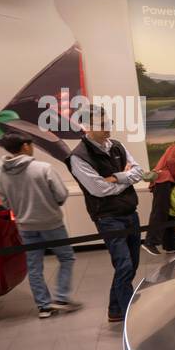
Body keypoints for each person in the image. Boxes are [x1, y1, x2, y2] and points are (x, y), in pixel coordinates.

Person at [68, 106, 144, 323]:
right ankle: (131, 316)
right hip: (108, 217)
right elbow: (99, 190)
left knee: (132, 265)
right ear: (86, 127)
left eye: (107, 123)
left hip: (130, 211)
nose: (107, 128)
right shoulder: (78, 157)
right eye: (101, 125)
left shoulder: (117, 146)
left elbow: (138, 172)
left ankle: (115, 309)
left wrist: (116, 178)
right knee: (124, 265)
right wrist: (125, 177)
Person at [0, 130, 80, 318]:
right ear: (25, 146)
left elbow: (4, 201)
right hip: (51, 223)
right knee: (66, 258)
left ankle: (43, 306)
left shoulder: (1, 173)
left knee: (34, 267)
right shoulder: (43, 168)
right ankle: (61, 298)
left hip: (25, 225)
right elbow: (61, 194)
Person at [143, 131, 175, 255]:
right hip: (163, 181)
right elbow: (171, 162)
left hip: (165, 182)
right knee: (160, 211)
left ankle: (170, 244)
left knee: (168, 213)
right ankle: (150, 242)